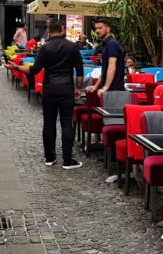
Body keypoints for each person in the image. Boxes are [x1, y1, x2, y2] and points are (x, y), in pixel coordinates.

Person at [24, 18, 84, 169]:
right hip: (66, 89)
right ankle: (67, 159)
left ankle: (50, 157)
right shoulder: (73, 47)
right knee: (66, 124)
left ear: (49, 31)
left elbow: (35, 70)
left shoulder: (45, 48)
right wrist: (78, 88)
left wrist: (17, 67)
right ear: (63, 29)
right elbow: (80, 72)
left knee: (49, 123)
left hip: (49, 89)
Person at [86, 18, 125, 97]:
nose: (97, 31)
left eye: (100, 28)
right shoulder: (106, 44)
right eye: (96, 28)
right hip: (110, 90)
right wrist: (96, 86)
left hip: (115, 90)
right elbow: (105, 69)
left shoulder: (111, 44)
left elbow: (112, 67)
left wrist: (105, 87)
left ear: (108, 29)